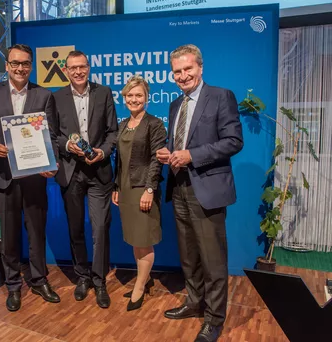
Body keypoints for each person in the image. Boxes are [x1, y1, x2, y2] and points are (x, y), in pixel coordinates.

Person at [156, 44, 243, 342]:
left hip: (208, 190)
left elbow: (233, 141)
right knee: (189, 255)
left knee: (212, 259)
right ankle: (194, 302)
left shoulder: (221, 96)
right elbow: (180, 142)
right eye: (177, 71)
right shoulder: (175, 105)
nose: (183, 76)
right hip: (178, 188)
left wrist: (192, 155)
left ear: (200, 67)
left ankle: (214, 319)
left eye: (187, 69)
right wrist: (170, 153)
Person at [0, 44, 60, 313]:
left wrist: (51, 162)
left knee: (36, 231)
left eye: (25, 63)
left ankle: (38, 279)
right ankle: (13, 284)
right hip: (4, 177)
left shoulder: (44, 95)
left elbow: (53, 136)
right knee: (9, 235)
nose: (20, 68)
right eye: (15, 63)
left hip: (35, 177)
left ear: (31, 65)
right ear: (7, 65)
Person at [53, 50, 118, 308]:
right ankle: (82, 276)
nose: (78, 72)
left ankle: (99, 280)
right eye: (73, 68)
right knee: (75, 228)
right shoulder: (56, 97)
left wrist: (103, 151)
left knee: (100, 229)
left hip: (99, 171)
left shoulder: (104, 93)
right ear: (66, 70)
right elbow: (52, 134)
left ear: (89, 67)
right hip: (71, 172)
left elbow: (113, 131)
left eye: (82, 67)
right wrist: (68, 146)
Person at [111, 75, 166, 311]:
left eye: (139, 95)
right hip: (125, 188)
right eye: (130, 95)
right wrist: (116, 186)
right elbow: (120, 160)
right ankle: (146, 279)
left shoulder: (154, 124)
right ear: (124, 98)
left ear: (147, 97)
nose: (134, 99)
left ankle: (140, 288)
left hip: (143, 190)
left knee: (144, 240)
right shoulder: (123, 124)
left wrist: (150, 189)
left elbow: (157, 159)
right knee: (135, 238)